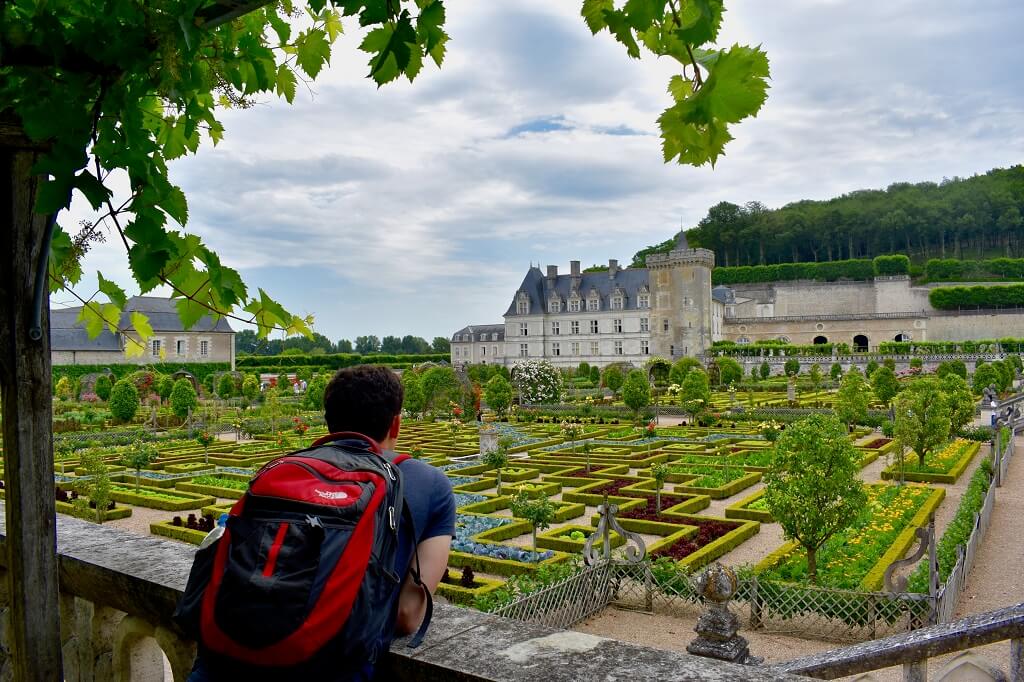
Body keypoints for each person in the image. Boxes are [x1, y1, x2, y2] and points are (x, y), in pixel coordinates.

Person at [187, 364, 455, 680]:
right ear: (395, 424)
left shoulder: (284, 471)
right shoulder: (429, 483)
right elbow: (407, 616)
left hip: (221, 662)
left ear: (328, 421)